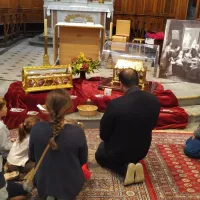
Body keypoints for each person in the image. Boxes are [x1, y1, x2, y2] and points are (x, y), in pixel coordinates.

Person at [95, 69, 160, 186]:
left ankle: (124, 170)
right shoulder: (154, 100)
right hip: (142, 150)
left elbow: (104, 135)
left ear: (120, 84)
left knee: (100, 153)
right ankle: (133, 165)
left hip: (118, 152)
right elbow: (152, 125)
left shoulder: (116, 104)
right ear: (139, 81)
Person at [29, 89, 88, 200]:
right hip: (71, 186)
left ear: (46, 107)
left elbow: (32, 157)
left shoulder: (36, 128)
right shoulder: (77, 131)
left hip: (43, 183)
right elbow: (83, 160)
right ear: (69, 108)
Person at [0, 98, 28, 200]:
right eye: (4, 107)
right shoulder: (1, 127)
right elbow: (3, 146)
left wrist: (10, 140)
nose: (7, 109)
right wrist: (16, 143)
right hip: (4, 154)